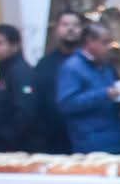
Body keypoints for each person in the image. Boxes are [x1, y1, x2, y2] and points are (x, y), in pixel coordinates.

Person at [56, 22, 120, 154]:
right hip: (91, 143)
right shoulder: (72, 67)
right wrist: (104, 94)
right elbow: (67, 103)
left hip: (116, 138)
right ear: (90, 42)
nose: (109, 47)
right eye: (104, 42)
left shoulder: (106, 66)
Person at [33, 9, 84, 154]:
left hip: (85, 136)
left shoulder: (92, 63)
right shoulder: (45, 64)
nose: (70, 29)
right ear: (56, 29)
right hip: (53, 139)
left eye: (75, 25)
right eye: (65, 24)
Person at [0, 24, 38, 153]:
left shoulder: (20, 72)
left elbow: (25, 110)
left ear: (14, 46)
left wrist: (5, 137)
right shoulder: (5, 71)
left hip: (16, 146)